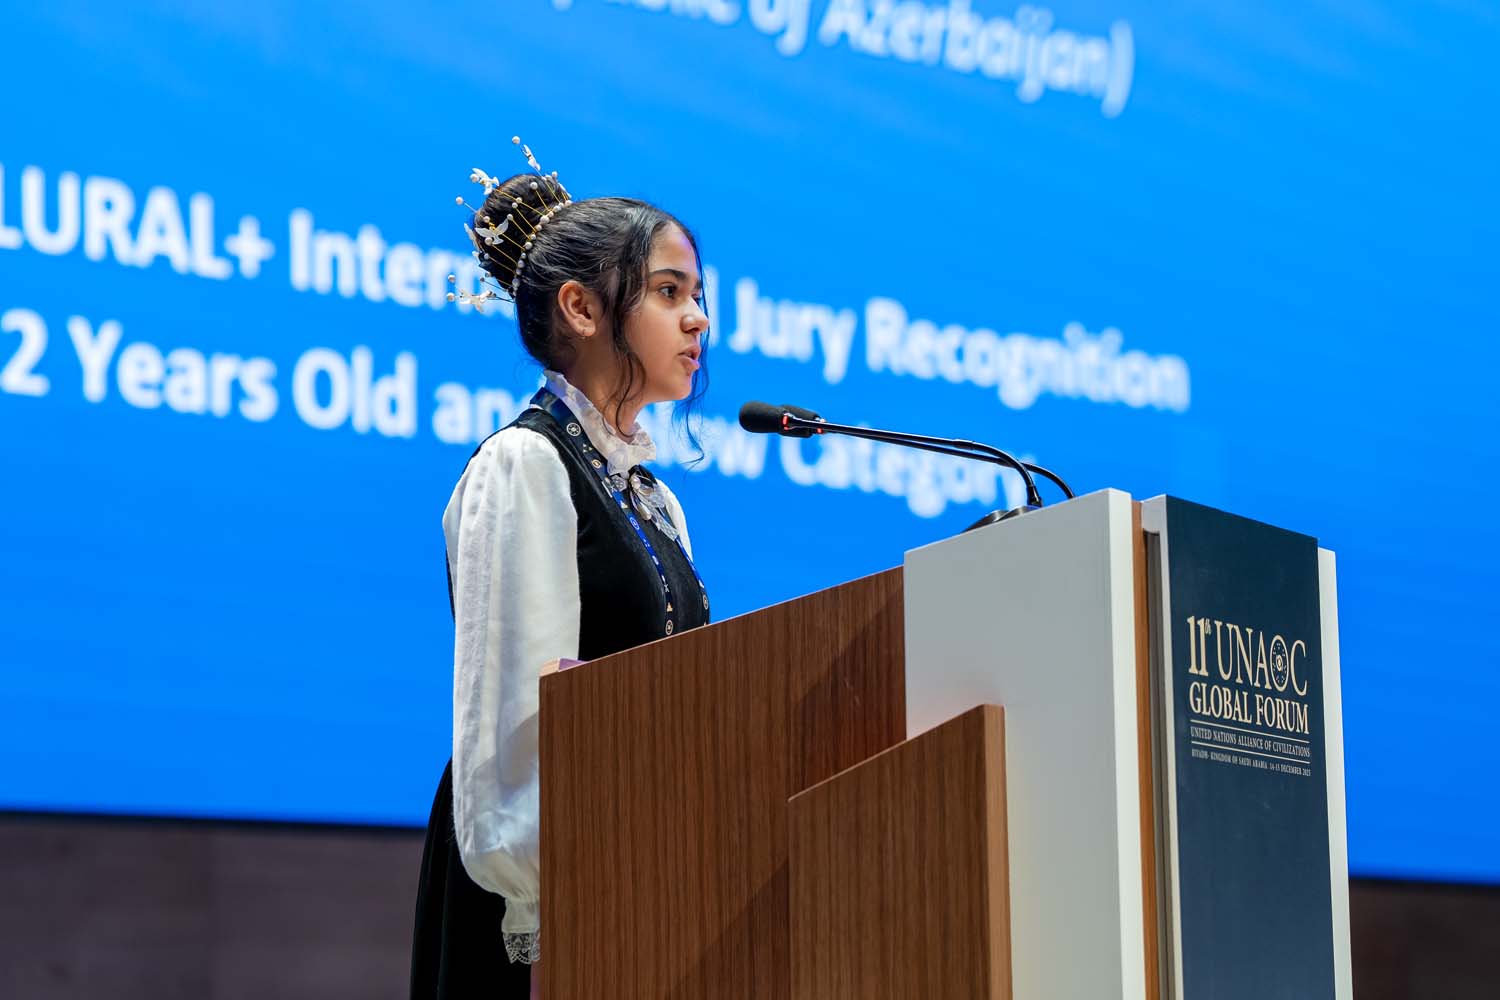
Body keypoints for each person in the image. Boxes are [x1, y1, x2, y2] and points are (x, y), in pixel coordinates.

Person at [409, 156, 712, 999]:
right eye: (669, 292)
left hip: (637, 874)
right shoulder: (525, 463)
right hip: (545, 896)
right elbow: (515, 717)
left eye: (697, 296)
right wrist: (541, 903)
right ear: (580, 308)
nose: (698, 318)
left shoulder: (654, 499)